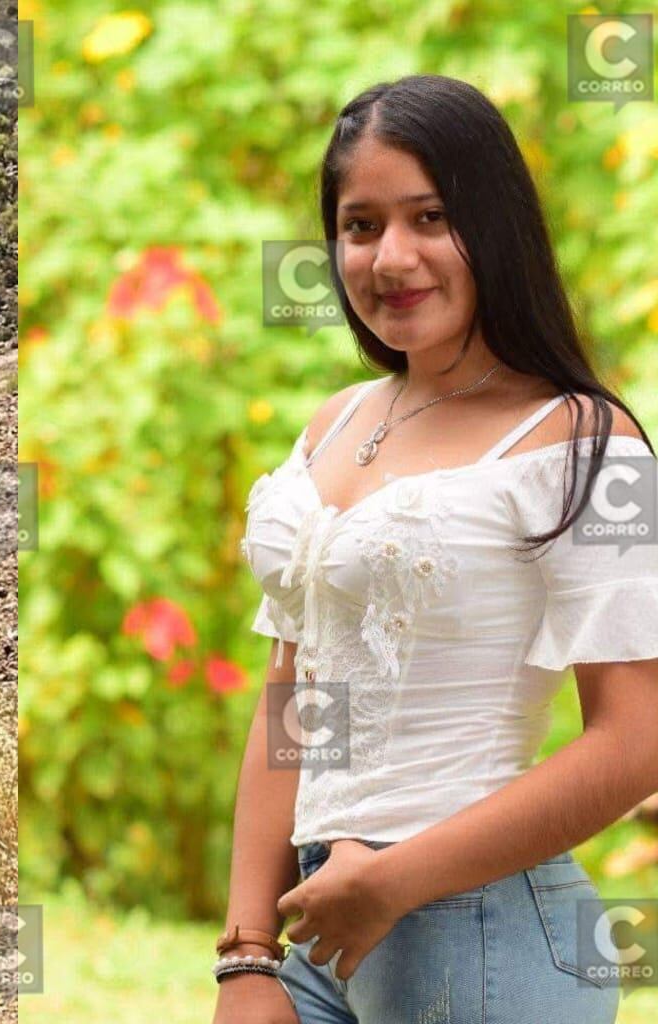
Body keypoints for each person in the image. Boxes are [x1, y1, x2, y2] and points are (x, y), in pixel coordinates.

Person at [218, 75, 655, 1024]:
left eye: (431, 216)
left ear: (495, 226)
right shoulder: (333, 426)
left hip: (483, 932)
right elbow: (294, 699)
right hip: (317, 935)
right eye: (361, 225)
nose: (392, 257)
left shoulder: (580, 440)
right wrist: (247, 953)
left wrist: (396, 881)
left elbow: (637, 738)